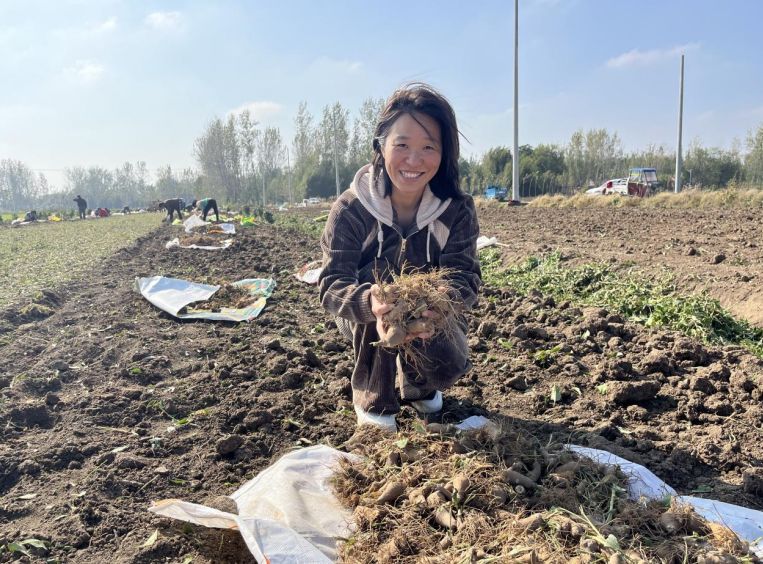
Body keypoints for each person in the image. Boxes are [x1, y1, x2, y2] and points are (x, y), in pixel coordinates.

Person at [318, 83, 481, 432]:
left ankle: (420, 385)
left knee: (444, 353)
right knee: (381, 284)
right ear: (381, 145)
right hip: (365, 323)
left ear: (444, 153)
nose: (413, 160)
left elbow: (465, 277)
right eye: (402, 145)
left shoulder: (457, 211)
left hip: (430, 315)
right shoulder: (351, 209)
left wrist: (436, 305)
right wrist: (369, 301)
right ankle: (374, 397)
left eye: (428, 147)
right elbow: (332, 284)